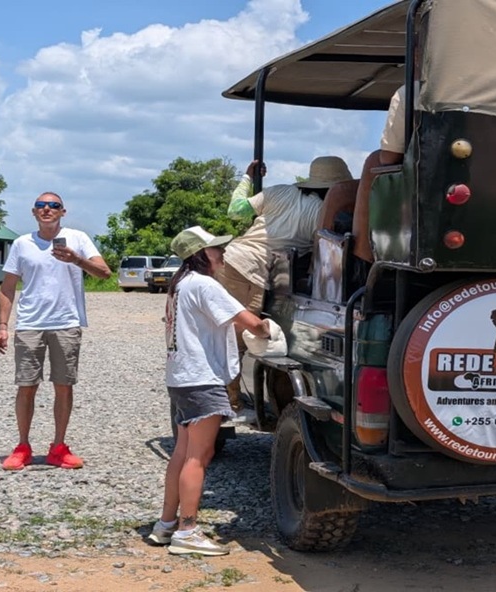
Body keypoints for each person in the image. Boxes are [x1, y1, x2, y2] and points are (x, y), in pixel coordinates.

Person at [149, 226, 271, 556]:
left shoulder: (181, 284)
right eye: (215, 249)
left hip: (181, 378)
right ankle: (188, 530)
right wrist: (269, 329)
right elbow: (249, 321)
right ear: (201, 254)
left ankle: (165, 525)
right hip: (203, 379)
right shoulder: (205, 284)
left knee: (182, 452)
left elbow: (215, 321)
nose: (221, 253)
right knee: (199, 457)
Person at [220, 155, 353, 412]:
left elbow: (235, 210)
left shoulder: (279, 191)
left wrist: (248, 177)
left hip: (231, 257)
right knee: (237, 338)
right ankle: (226, 404)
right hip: (250, 270)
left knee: (223, 333)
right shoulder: (323, 213)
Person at [0, 192, 111, 471]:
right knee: (26, 385)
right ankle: (22, 446)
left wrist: (76, 259)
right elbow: (7, 288)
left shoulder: (78, 239)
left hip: (66, 322)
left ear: (62, 212)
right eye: (41, 206)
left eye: (53, 206)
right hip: (30, 323)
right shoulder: (21, 244)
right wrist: (2, 327)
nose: (47, 210)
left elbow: (104, 272)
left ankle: (58, 447)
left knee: (63, 385)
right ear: (34, 212)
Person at [353, 83, 409, 262]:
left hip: (427, 192)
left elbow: (388, 157)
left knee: (374, 159)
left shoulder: (410, 93)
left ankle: (363, 257)